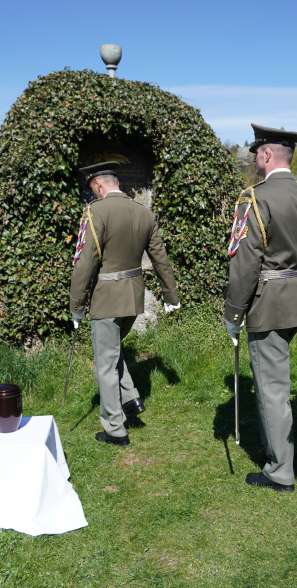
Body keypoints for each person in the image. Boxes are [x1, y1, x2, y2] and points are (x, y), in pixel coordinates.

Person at [225, 124, 297, 493]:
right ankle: (281, 456)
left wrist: (233, 314)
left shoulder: (254, 198)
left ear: (268, 155)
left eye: (256, 152)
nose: (254, 158)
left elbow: (244, 263)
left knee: (270, 387)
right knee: (277, 381)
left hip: (267, 302)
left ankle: (280, 470)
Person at [70, 161, 180, 447]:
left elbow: (86, 262)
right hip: (133, 297)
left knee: (104, 363)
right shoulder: (144, 213)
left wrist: (76, 305)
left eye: (91, 188)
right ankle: (130, 400)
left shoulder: (96, 212)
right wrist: (171, 295)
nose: (92, 194)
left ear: (98, 183)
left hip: (106, 298)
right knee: (112, 351)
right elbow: (160, 258)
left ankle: (115, 428)